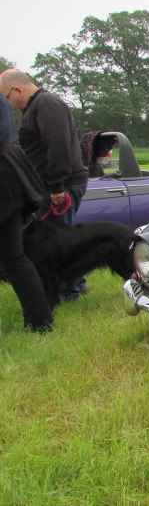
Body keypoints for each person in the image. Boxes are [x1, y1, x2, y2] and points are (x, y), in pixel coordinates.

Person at [0, 69, 89, 301]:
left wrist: (57, 186)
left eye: (7, 98)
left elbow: (57, 146)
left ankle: (68, 291)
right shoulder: (34, 108)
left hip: (61, 185)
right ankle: (76, 282)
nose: (10, 106)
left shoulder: (46, 104)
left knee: (57, 242)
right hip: (49, 185)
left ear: (17, 89)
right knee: (61, 235)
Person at [0, 94, 53, 331]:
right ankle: (40, 321)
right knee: (14, 258)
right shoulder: (2, 99)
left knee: (13, 257)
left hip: (4, 181)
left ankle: (40, 321)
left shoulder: (46, 103)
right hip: (11, 176)